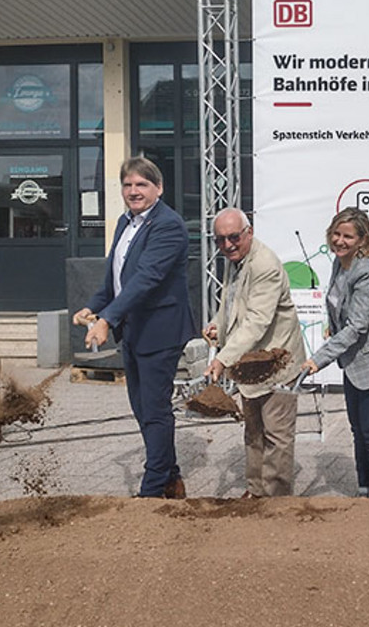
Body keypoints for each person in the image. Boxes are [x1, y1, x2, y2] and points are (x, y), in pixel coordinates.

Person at [73, 156, 194, 499]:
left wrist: (106, 320)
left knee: (155, 409)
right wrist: (94, 305)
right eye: (127, 184)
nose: (133, 191)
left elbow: (146, 279)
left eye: (141, 184)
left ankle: (153, 489)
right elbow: (117, 276)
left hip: (160, 330)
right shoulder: (125, 223)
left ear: (159, 188)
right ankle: (170, 476)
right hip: (134, 329)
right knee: (141, 407)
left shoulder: (168, 225)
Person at [299, 208, 369, 499]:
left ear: (363, 240)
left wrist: (317, 361)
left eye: (348, 236)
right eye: (336, 234)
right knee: (358, 430)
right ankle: (364, 490)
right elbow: (340, 307)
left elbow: (357, 328)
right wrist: (331, 326)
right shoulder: (340, 265)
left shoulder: (367, 274)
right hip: (355, 364)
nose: (340, 241)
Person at [205, 208, 306, 498]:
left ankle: (276, 498)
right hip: (251, 364)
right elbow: (232, 302)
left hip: (277, 364)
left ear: (249, 232)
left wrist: (223, 359)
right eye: (220, 240)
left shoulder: (264, 265)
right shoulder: (235, 260)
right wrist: (217, 326)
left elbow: (257, 321)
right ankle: (256, 490)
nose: (228, 245)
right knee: (253, 431)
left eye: (234, 237)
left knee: (276, 434)